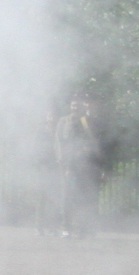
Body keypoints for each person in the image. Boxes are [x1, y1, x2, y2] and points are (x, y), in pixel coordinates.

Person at [53, 92, 107, 237]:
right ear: (70, 106)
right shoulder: (63, 121)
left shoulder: (88, 121)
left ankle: (85, 227)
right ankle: (66, 227)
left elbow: (97, 145)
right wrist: (64, 164)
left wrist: (101, 166)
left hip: (87, 164)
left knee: (86, 197)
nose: (76, 107)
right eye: (73, 104)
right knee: (68, 196)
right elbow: (60, 143)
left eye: (78, 104)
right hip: (70, 165)